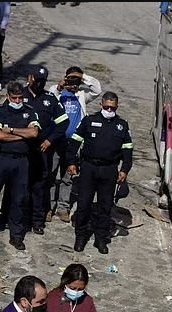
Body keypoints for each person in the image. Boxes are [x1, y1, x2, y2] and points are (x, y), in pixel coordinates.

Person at [0, 65, 70, 235]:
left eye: (43, 81)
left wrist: (49, 140)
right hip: (19, 149)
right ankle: (8, 216)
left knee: (38, 186)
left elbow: (63, 122)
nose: (39, 84)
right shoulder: (18, 95)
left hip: (40, 150)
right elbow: (3, 117)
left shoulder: (50, 99)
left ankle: (37, 220)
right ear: (30, 78)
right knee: (14, 184)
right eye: (37, 80)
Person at [67, 91, 133, 254]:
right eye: (106, 107)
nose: (109, 111)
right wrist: (71, 163)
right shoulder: (89, 121)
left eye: (112, 108)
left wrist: (124, 169)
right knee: (84, 204)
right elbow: (74, 143)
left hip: (109, 170)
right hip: (89, 167)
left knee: (105, 206)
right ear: (101, 105)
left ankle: (101, 239)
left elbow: (128, 150)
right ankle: (80, 237)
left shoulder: (122, 125)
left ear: (116, 107)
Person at [0, 81, 41, 250]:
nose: (17, 101)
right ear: (8, 96)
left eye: (20, 98)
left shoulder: (30, 112)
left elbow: (34, 133)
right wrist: (22, 133)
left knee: (18, 199)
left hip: (21, 161)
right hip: (1, 159)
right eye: (14, 98)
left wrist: (10, 130)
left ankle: (16, 235)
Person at [47, 66, 102, 224]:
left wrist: (83, 77)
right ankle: (49, 207)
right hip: (56, 141)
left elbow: (97, 89)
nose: (74, 84)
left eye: (76, 81)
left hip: (73, 144)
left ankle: (63, 207)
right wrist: (60, 87)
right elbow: (51, 97)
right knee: (51, 175)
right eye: (71, 80)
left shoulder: (81, 95)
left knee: (67, 177)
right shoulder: (56, 91)